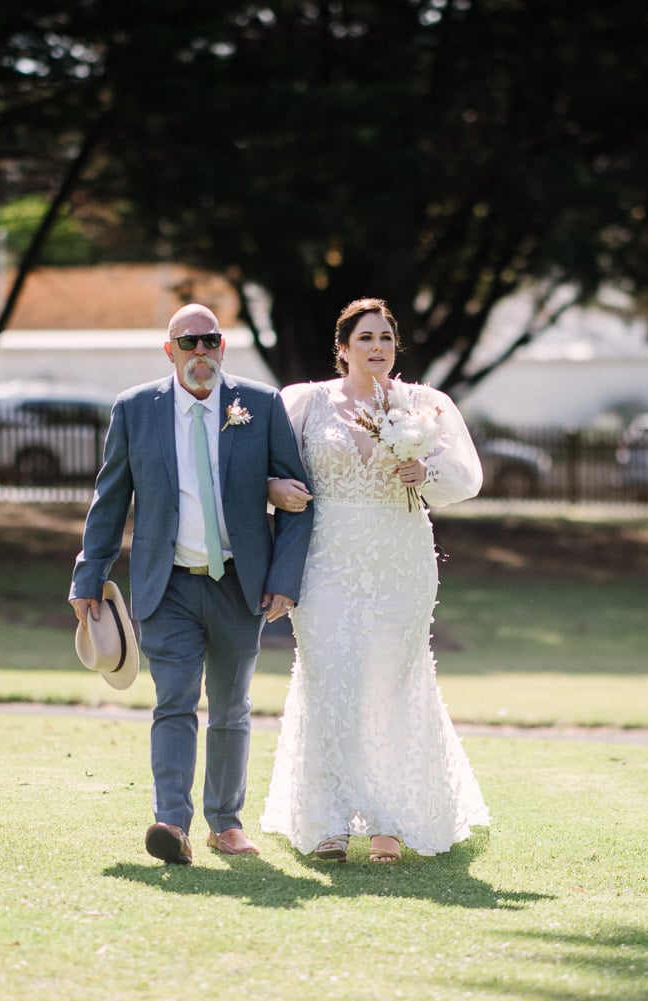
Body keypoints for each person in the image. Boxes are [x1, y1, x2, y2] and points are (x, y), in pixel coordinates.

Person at [69, 303, 314, 865]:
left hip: (240, 584)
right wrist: (90, 573)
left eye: (211, 342)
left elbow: (299, 499)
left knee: (230, 706)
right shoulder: (135, 410)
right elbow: (111, 500)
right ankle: (171, 823)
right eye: (189, 343)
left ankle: (225, 824)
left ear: (223, 347)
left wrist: (284, 580)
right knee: (174, 702)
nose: (201, 353)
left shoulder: (259, 403)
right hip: (167, 585)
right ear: (170, 350)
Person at [259, 297, 490, 863]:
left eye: (385, 338)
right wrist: (272, 489)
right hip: (327, 559)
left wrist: (425, 470)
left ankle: (390, 818)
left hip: (401, 559)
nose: (377, 347)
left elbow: (468, 476)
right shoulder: (307, 402)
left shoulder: (423, 405)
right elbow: (258, 462)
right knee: (331, 677)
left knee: (391, 680)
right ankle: (329, 821)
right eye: (365, 338)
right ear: (343, 348)